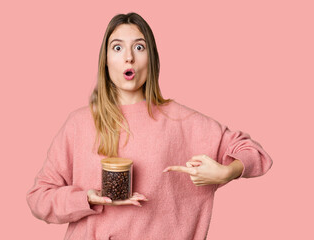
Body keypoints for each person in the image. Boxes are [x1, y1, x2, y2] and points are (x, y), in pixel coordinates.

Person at [26, 12, 273, 240]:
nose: (129, 57)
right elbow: (39, 198)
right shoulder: (78, 124)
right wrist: (86, 199)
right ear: (105, 60)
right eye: (118, 47)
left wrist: (227, 172)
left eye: (139, 47)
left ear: (152, 58)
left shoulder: (180, 120)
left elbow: (254, 153)